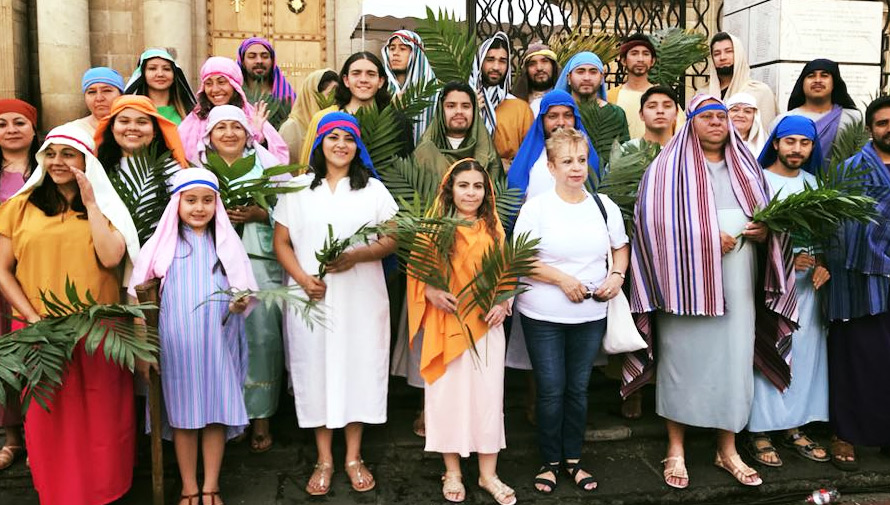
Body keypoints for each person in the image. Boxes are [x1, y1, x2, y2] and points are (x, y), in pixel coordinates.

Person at [625, 95, 798, 489]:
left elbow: (772, 218)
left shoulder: (749, 169)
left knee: (734, 361)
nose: (718, 122)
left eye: (723, 116)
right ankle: (675, 448)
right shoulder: (665, 169)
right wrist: (701, 238)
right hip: (684, 286)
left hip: (738, 280)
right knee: (681, 362)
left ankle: (727, 448)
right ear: (692, 122)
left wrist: (765, 229)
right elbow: (650, 224)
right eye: (708, 117)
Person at [0, 123, 140, 505]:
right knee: (49, 417)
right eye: (52, 153)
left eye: (69, 154)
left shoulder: (106, 206)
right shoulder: (19, 207)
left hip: (98, 327)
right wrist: (29, 317)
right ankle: (59, 493)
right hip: (38, 329)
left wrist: (92, 203)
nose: (59, 161)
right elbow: (2, 269)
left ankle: (106, 491)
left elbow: (112, 257)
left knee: (101, 416)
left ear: (86, 162)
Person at [273, 112, 397, 496]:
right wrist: (302, 279)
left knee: (357, 368)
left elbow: (392, 240)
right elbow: (282, 243)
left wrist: (356, 257)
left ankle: (353, 456)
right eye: (333, 137)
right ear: (319, 143)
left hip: (361, 296)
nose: (341, 144)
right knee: (316, 370)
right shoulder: (296, 188)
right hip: (312, 297)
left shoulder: (373, 190)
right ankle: (324, 458)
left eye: (348, 138)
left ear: (357, 147)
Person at [129, 167, 257, 505]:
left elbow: (244, 289)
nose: (199, 208)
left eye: (207, 201)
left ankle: (211, 485)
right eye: (191, 201)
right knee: (184, 416)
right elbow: (137, 293)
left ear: (216, 204)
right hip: (177, 348)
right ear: (177, 204)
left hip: (218, 343)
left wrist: (239, 300)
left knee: (214, 414)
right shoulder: (162, 244)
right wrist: (144, 347)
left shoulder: (225, 243)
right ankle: (188, 486)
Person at [513, 127, 629, 495]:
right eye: (567, 161)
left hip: (590, 316)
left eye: (581, 160)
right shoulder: (537, 208)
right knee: (550, 389)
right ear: (551, 167)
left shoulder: (603, 206)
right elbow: (521, 259)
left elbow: (620, 247)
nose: (576, 168)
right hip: (543, 315)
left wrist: (616, 274)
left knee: (578, 389)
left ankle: (574, 458)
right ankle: (549, 461)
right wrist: (562, 279)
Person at [408, 158, 516, 505]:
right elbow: (417, 276)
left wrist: (503, 302)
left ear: (486, 192)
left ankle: (488, 474)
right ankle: (452, 470)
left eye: (478, 186)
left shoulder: (495, 229)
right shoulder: (432, 228)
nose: (471, 193)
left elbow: (509, 276)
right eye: (463, 185)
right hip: (448, 324)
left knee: (488, 399)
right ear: (449, 189)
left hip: (486, 328)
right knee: (446, 399)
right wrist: (432, 292)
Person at [197, 104, 288, 453]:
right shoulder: (199, 166)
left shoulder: (266, 163)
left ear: (248, 132)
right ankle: (225, 416)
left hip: (259, 260)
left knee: (262, 337)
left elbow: (290, 209)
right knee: (220, 337)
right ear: (210, 134)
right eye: (222, 128)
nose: (230, 134)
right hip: (213, 263)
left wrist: (259, 212)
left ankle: (262, 417)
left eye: (237, 127)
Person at [744, 115, 830, 468]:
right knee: (770, 352)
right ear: (776, 143)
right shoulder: (758, 182)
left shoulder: (815, 184)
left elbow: (824, 234)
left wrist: (822, 264)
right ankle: (760, 431)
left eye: (804, 143)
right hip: (770, 286)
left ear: (812, 148)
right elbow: (748, 234)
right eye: (790, 141)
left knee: (805, 356)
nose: (797, 149)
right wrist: (782, 262)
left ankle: (794, 426)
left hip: (809, 288)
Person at [824, 95, 890, 470]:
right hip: (858, 281)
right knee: (855, 360)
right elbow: (836, 225)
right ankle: (844, 434)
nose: (888, 128)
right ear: (870, 128)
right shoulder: (850, 169)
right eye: (881, 123)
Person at [0, 98, 38, 472]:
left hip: (37, 273)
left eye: (18, 123)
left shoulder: (45, 169)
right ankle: (13, 436)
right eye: (1, 124)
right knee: (5, 358)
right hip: (1, 274)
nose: (11, 129)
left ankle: (39, 432)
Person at [298, 52, 413, 165]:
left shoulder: (396, 122)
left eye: (371, 74)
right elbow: (310, 167)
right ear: (346, 80)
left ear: (381, 81)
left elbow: (406, 171)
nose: (363, 79)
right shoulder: (325, 118)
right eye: (356, 73)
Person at [179, 56, 290, 165]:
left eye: (221, 82)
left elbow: (277, 160)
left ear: (235, 85)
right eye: (208, 84)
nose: (215, 89)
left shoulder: (252, 116)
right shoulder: (195, 118)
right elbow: (179, 156)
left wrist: (257, 137)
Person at [506, 90, 599, 205]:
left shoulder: (588, 157)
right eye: (553, 116)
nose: (561, 122)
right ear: (542, 120)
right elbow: (512, 201)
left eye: (567, 115)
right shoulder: (529, 158)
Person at [775, 59, 862, 162]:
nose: (817, 80)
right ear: (802, 83)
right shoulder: (783, 120)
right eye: (811, 76)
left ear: (834, 83)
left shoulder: (853, 118)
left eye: (824, 76)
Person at [469, 32, 534, 167]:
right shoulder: (462, 102)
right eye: (490, 59)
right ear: (480, 62)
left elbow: (529, 156)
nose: (496, 67)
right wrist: (469, 110)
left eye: (502, 61)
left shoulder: (520, 109)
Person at [413, 81, 501, 178]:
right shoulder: (425, 151)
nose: (459, 111)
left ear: (474, 111)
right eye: (451, 106)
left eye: (465, 106)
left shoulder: (488, 151)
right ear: (441, 111)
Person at [607, 34, 685, 139]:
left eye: (646, 54)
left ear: (652, 61)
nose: (640, 59)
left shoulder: (664, 97)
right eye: (634, 54)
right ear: (623, 61)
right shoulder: (610, 97)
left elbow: (681, 134)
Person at [697, 32, 778, 127]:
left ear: (739, 54)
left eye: (729, 51)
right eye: (717, 54)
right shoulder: (702, 94)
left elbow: (767, 133)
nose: (722, 57)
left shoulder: (760, 92)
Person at [94, 95, 189, 173]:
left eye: (142, 122)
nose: (132, 128)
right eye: (124, 121)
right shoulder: (96, 169)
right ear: (112, 128)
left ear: (154, 130)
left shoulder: (171, 171)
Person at [556, 52, 630, 151]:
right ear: (569, 78)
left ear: (601, 78)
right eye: (580, 71)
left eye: (593, 72)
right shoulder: (558, 113)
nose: (587, 78)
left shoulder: (615, 114)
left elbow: (624, 155)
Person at [381, 30, 437, 143]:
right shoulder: (380, 90)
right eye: (392, 48)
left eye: (402, 49)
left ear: (416, 54)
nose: (395, 53)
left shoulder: (436, 93)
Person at [124, 48, 197, 126]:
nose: (160, 74)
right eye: (152, 68)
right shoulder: (130, 110)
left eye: (166, 69)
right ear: (143, 74)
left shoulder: (191, 113)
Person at [237, 37, 298, 128]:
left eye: (265, 56)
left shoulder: (286, 96)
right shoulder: (235, 95)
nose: (259, 61)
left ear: (272, 61)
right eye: (252, 56)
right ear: (242, 61)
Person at [279, 68, 336, 162]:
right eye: (330, 94)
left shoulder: (338, 124)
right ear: (312, 96)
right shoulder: (291, 127)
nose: (334, 100)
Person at [69, 67, 125, 138]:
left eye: (107, 91)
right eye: (92, 92)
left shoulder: (133, 130)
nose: (99, 98)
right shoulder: (72, 132)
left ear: (121, 95)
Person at [511, 43, 559, 115]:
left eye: (544, 61)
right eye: (532, 64)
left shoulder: (568, 99)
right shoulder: (515, 104)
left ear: (553, 66)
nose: (539, 68)